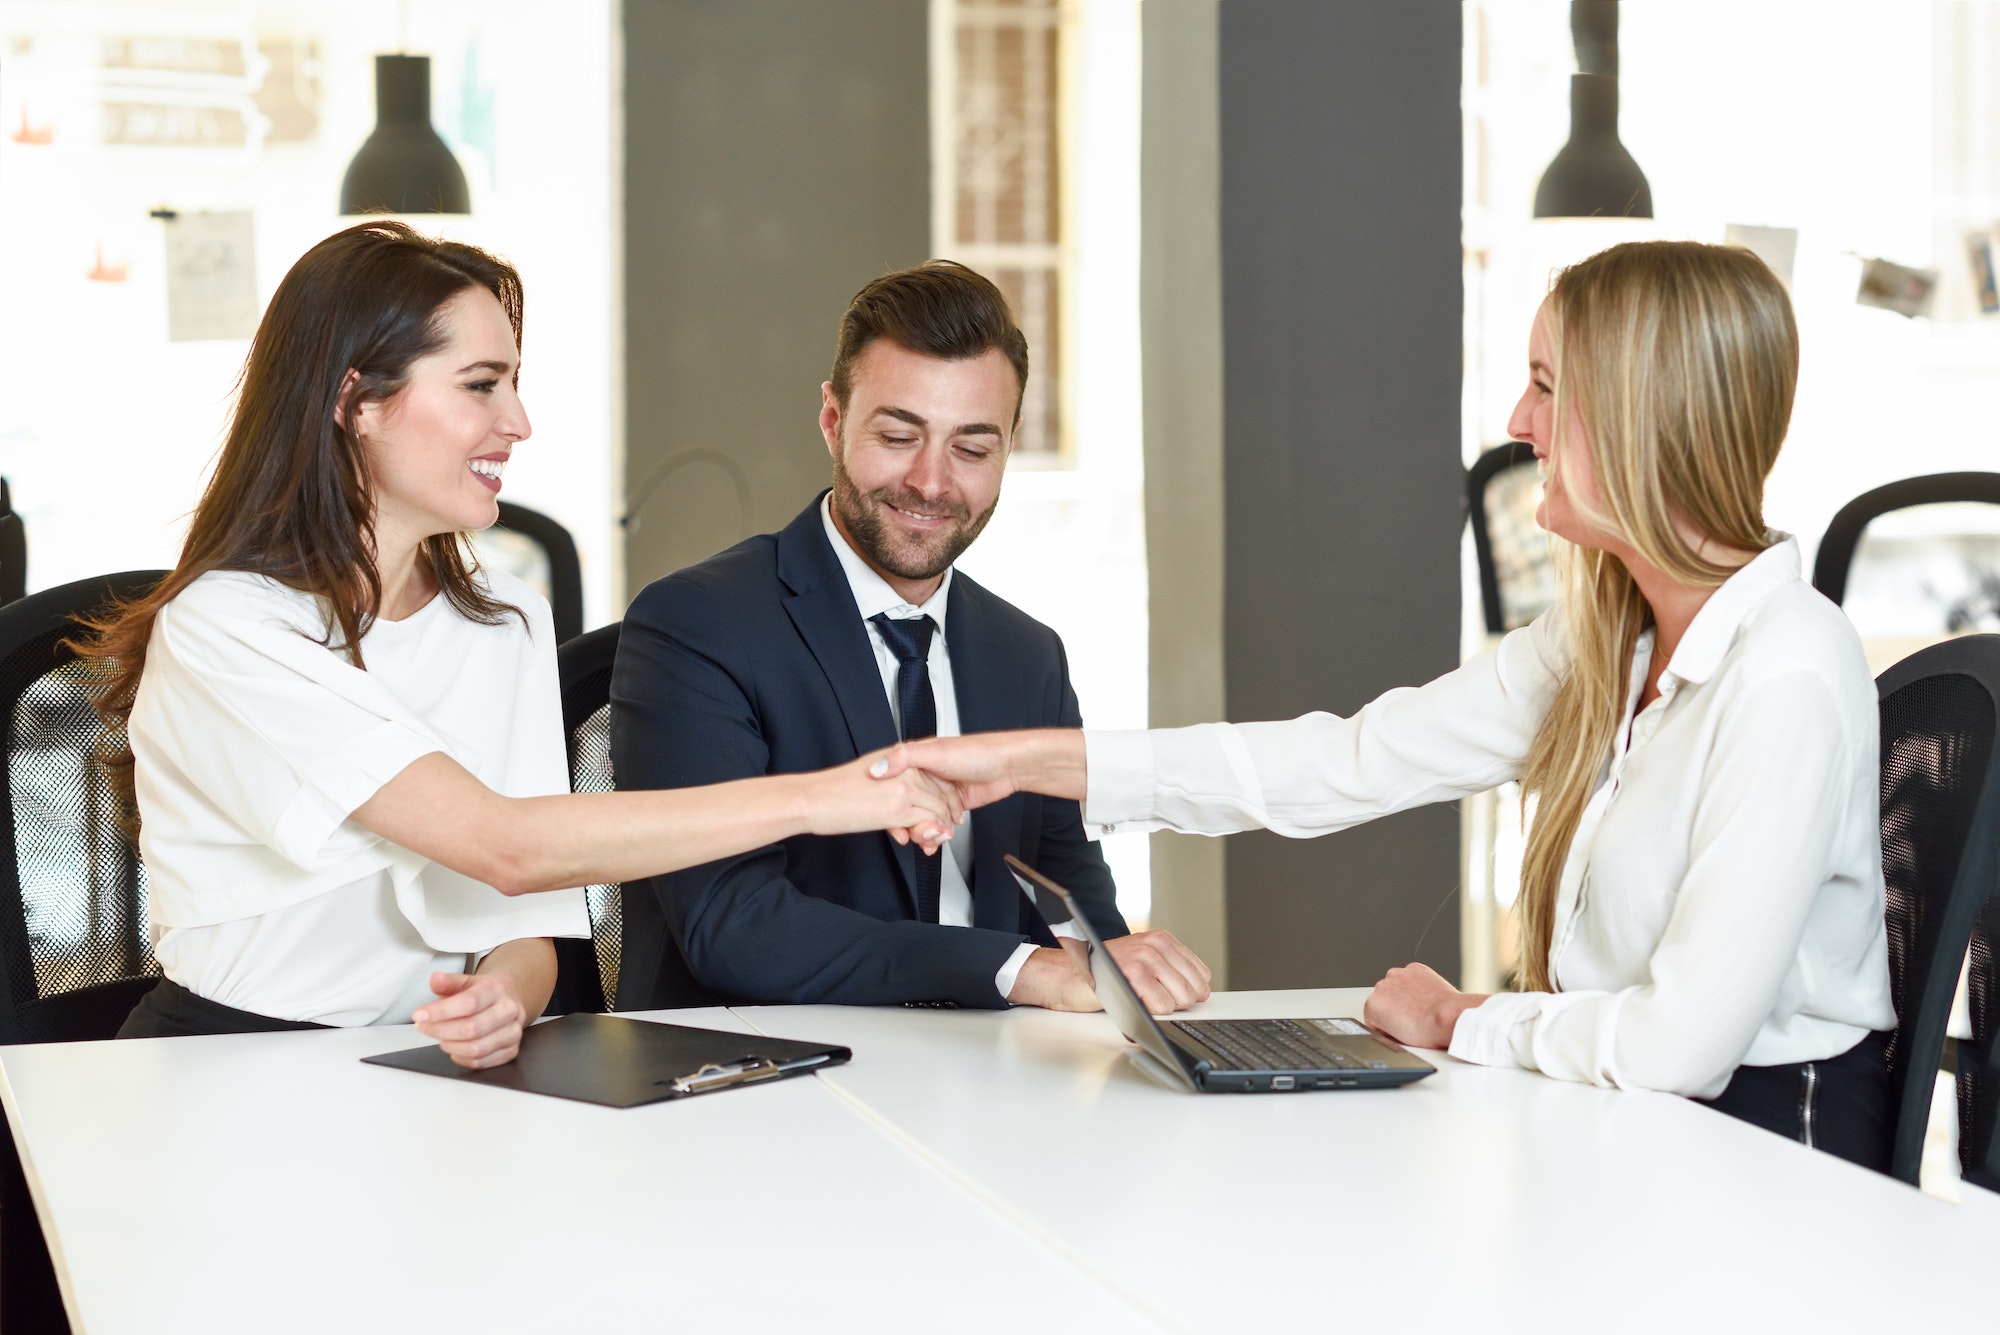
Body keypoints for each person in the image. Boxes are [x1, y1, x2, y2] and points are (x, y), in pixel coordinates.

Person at [885, 241, 1897, 1170]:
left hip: (1763, 1159)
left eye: (1546, 386)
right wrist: (1021, 762)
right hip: (1624, 1122)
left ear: (1645, 410)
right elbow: (1346, 762)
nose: (1515, 423)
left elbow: (1678, 1046)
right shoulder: (1603, 640)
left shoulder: (1785, 675)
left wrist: (1460, 1021)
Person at [78, 221, 960, 1067]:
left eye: (513, 383)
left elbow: (526, 924)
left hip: (414, 1073)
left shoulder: (507, 619)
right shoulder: (227, 624)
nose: (519, 421)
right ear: (355, 400)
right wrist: (825, 796)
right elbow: (506, 843)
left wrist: (506, 994)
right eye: (480, 384)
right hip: (230, 1065)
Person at [611, 260, 1210, 1012]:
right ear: (833, 419)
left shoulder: (1029, 656)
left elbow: (1072, 895)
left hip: (999, 1074)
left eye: (972, 449)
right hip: (776, 1085)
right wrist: (1013, 969)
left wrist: (1114, 961)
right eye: (899, 435)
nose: (930, 482)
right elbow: (733, 924)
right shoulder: (696, 624)